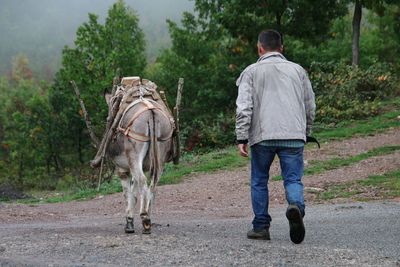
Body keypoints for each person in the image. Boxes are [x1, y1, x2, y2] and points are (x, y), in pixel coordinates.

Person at [235, 29, 316, 244]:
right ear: (281, 48)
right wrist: (306, 132)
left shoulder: (250, 72)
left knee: (259, 180)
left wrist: (241, 137)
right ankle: (296, 207)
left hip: (262, 137)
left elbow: (244, 107)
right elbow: (310, 105)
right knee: (293, 178)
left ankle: (261, 227)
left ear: (259, 48)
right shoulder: (298, 71)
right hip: (293, 134)